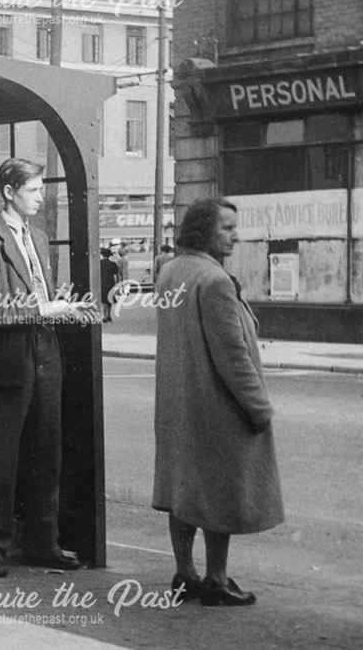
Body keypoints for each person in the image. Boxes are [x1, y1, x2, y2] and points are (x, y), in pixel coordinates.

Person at [0, 158, 96, 578]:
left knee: (47, 451)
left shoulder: (37, 236)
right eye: (34, 190)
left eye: (41, 189)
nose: (41, 196)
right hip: (8, 356)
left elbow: (41, 293)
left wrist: (64, 310)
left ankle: (44, 543)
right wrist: (45, 307)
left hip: (44, 348)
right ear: (9, 191)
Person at [153, 198, 282, 606]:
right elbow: (234, 358)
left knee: (182, 489)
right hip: (215, 407)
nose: (235, 235)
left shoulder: (170, 271)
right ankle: (216, 579)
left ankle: (184, 573)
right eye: (227, 228)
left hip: (177, 403)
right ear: (205, 230)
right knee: (218, 492)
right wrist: (259, 408)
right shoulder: (215, 281)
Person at [99, 248, 118, 323]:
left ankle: (104, 316)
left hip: (102, 282)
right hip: (110, 282)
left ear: (102, 255)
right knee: (109, 299)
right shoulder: (113, 264)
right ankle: (108, 315)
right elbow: (116, 272)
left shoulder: (99, 263)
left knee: (104, 300)